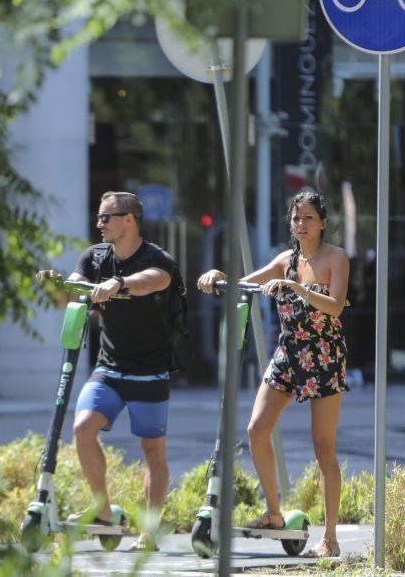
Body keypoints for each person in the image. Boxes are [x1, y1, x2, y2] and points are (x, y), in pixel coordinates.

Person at [197, 190, 350, 559]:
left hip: (323, 357)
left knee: (323, 447)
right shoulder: (285, 259)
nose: (301, 224)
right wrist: (218, 276)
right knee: (256, 429)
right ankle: (274, 513)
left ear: (323, 222)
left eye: (309, 218)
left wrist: (296, 288)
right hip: (288, 353)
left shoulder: (336, 258)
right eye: (296, 218)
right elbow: (243, 282)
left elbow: (336, 307)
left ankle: (330, 539)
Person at [38, 191, 177, 552]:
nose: (98, 224)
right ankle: (102, 511)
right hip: (109, 367)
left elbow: (154, 280)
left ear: (128, 220)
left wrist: (120, 283)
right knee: (83, 428)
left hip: (149, 370)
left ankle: (149, 531)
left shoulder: (157, 258)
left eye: (105, 218)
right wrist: (58, 286)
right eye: (98, 218)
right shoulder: (95, 257)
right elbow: (71, 294)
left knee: (153, 452)